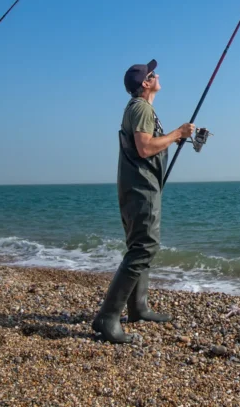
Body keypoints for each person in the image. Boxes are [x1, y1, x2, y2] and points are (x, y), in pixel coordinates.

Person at [91, 59, 195, 344]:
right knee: (143, 248)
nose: (157, 75)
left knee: (140, 247)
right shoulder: (141, 108)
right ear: (145, 84)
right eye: (152, 74)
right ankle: (107, 317)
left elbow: (147, 146)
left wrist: (174, 138)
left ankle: (139, 307)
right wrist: (177, 134)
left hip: (138, 187)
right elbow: (145, 146)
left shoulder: (141, 109)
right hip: (140, 189)